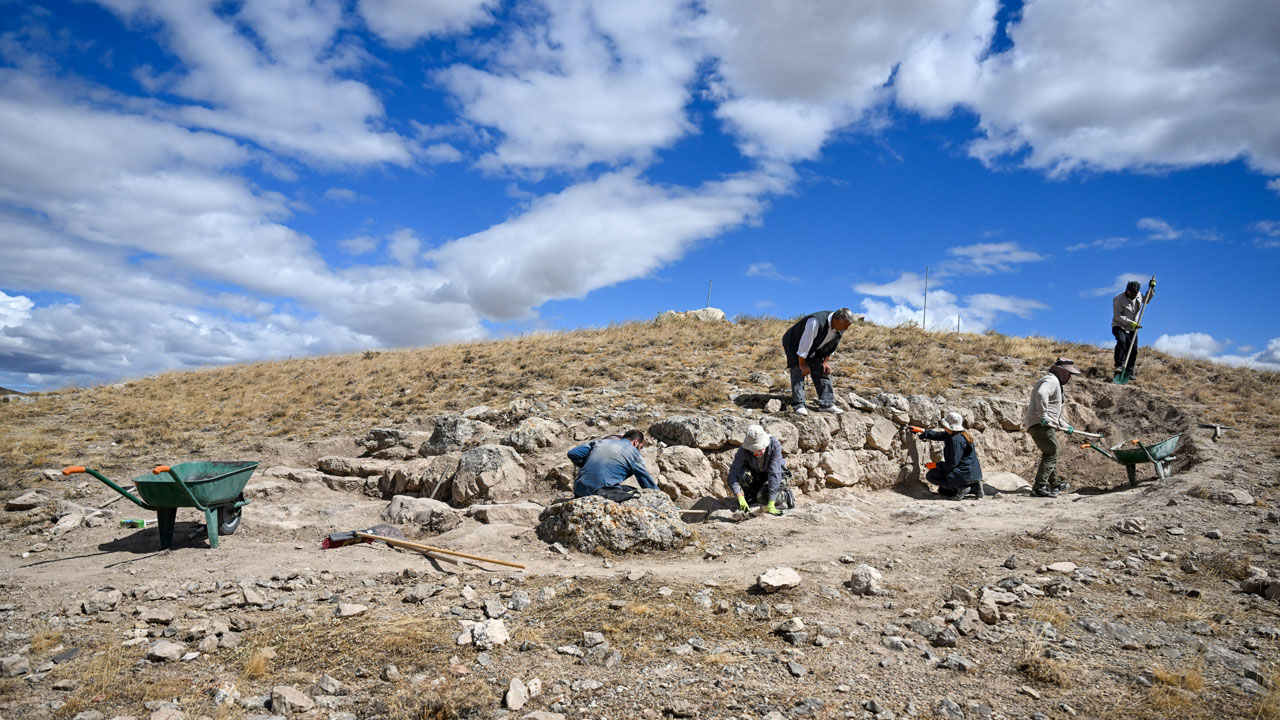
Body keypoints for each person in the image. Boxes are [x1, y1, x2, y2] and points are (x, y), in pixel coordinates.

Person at [1023, 357, 1082, 498]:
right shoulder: (1051, 380)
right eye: (1069, 374)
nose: (1070, 377)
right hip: (1040, 424)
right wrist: (1043, 415)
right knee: (1051, 453)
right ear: (1061, 371)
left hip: (1041, 423)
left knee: (1050, 453)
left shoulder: (1054, 382)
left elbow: (1053, 413)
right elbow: (1041, 394)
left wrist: (1065, 426)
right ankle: (1039, 487)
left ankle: (1055, 483)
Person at [782, 308, 856, 415]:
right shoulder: (815, 322)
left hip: (815, 346)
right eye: (846, 325)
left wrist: (825, 361)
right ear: (835, 321)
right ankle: (799, 405)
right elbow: (804, 345)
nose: (847, 328)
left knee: (822, 370)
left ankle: (827, 404)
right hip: (794, 343)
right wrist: (803, 364)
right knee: (798, 370)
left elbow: (832, 346)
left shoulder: (840, 328)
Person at [909, 411, 984, 500]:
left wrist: (936, 465)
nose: (944, 427)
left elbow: (952, 464)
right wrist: (922, 430)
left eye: (945, 425)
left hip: (963, 473)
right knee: (942, 490)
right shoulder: (960, 434)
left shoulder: (955, 440)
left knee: (931, 475)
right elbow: (939, 435)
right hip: (972, 473)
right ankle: (974, 487)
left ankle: (961, 488)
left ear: (950, 426)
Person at [568, 429, 657, 499]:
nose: (639, 450)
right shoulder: (634, 452)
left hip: (579, 490)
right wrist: (659, 495)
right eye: (640, 448)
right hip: (602, 493)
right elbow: (646, 481)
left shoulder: (600, 442)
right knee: (634, 492)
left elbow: (573, 453)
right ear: (636, 442)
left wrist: (588, 464)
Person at [727, 424, 792, 516]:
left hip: (777, 475)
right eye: (754, 449)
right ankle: (753, 497)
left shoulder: (774, 445)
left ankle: (785, 496)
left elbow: (774, 473)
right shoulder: (743, 451)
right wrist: (739, 496)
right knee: (743, 476)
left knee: (762, 497)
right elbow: (733, 473)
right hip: (757, 476)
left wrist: (771, 502)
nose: (757, 452)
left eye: (759, 448)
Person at [1112, 278, 1154, 378]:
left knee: (1133, 349)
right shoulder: (1118, 299)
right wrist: (1131, 322)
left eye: (1134, 292)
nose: (1132, 294)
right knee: (1122, 342)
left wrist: (1151, 289)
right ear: (1127, 289)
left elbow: (1146, 300)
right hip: (1119, 325)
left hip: (1132, 329)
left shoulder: (1138, 295)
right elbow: (1116, 316)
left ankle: (1129, 372)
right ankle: (1119, 365)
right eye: (1130, 291)